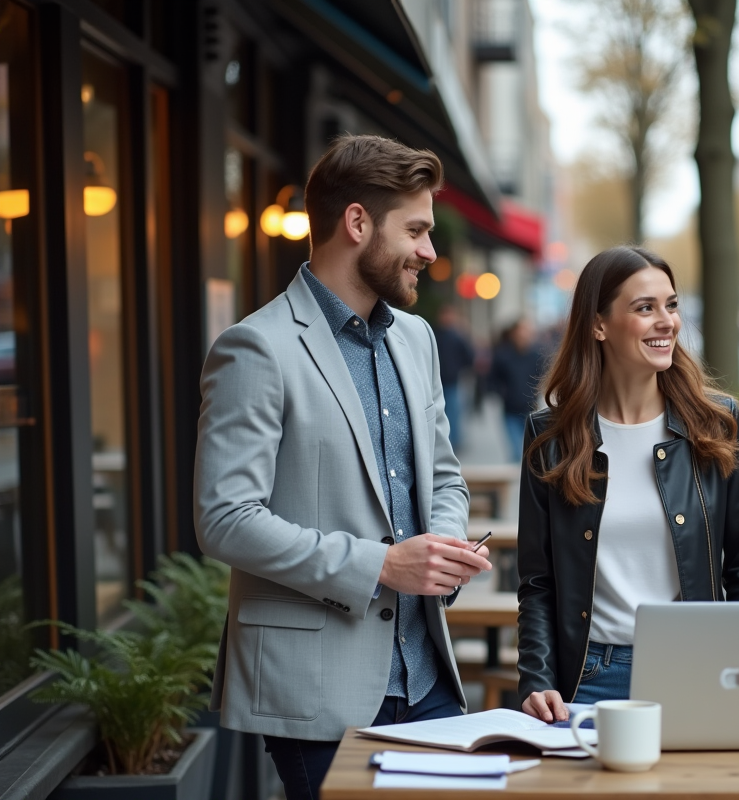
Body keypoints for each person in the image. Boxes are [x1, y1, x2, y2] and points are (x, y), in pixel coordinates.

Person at [194, 134, 493, 800]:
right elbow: (224, 519)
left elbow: (444, 475)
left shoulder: (416, 339)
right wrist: (381, 566)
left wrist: (443, 549)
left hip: (429, 676)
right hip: (318, 692)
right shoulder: (256, 349)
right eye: (416, 230)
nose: (430, 252)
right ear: (358, 223)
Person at [517, 246, 739, 723]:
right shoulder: (549, 437)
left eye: (671, 305)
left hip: (695, 669)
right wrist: (537, 678)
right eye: (644, 308)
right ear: (598, 325)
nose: (667, 322)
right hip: (585, 679)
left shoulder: (715, 425)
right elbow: (537, 581)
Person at [489, 319, 546, 460]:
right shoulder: (503, 355)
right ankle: (517, 479)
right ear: (514, 333)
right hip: (510, 408)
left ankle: (527, 479)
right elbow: (493, 378)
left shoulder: (536, 355)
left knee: (531, 449)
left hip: (530, 408)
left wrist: (537, 391)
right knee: (515, 451)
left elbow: (543, 376)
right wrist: (501, 393)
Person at [432, 305, 475, 450]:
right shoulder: (435, 334)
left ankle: (453, 442)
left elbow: (469, 357)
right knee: (442, 413)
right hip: (437, 381)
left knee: (453, 413)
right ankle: (446, 441)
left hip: (452, 380)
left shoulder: (457, 336)